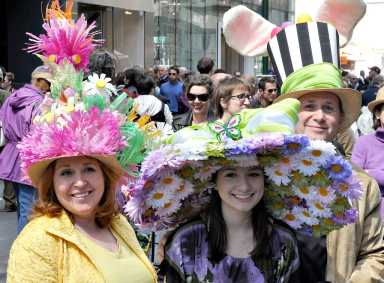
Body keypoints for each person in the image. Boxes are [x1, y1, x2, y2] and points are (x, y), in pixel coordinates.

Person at [222, 4, 384, 282]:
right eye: (308, 105)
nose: (319, 116)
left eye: (329, 108)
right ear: (289, 112)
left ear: (340, 117)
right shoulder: (255, 172)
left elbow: (375, 253)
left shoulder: (360, 186)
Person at [126, 99, 363, 283]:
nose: (244, 186)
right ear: (213, 181)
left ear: (266, 180)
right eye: (230, 174)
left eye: (253, 174)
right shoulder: (186, 241)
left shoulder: (283, 242)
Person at [7, 1, 157, 280]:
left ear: (105, 174)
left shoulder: (117, 224)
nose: (80, 181)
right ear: (51, 181)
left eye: (89, 168)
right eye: (66, 172)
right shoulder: (39, 241)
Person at [0, 65, 52, 232]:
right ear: (37, 80)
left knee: (23, 207)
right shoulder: (39, 102)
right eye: (47, 82)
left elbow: (3, 122)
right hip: (29, 155)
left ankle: (19, 248)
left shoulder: (12, 97)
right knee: (29, 208)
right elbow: (38, 129)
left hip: (11, 153)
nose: (50, 86)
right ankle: (23, 252)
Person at [352, 86, 384, 217]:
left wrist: (370, 173)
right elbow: (354, 176)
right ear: (377, 114)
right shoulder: (364, 142)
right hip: (371, 214)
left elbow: (363, 174)